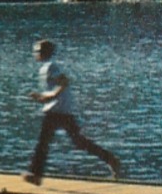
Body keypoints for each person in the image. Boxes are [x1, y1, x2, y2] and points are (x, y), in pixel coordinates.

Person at [23, 39, 122, 184]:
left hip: (57, 111)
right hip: (62, 110)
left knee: (43, 142)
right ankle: (111, 160)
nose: (34, 54)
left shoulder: (51, 66)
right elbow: (57, 88)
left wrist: (48, 96)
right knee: (78, 142)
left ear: (44, 53)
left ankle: (36, 175)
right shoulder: (47, 67)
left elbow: (64, 82)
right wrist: (44, 98)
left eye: (37, 51)